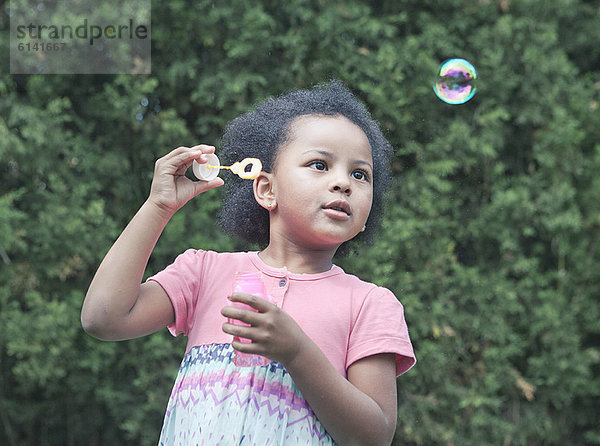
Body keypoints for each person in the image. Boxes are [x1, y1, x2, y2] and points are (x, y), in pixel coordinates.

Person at [81, 80, 416, 446]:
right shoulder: (204, 273)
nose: (343, 183)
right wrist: (157, 207)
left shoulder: (371, 304)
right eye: (320, 164)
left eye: (359, 174)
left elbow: (374, 437)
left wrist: (296, 351)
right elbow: (103, 317)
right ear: (266, 189)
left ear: (367, 213)